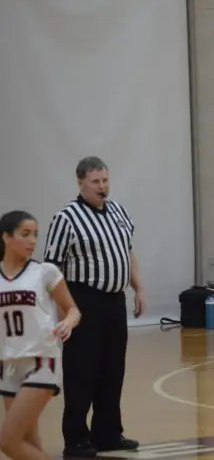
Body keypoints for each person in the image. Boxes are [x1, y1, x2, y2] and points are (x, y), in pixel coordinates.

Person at [42, 157, 145, 457]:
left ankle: (108, 433)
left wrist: (138, 287)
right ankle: (76, 438)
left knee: (113, 370)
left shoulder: (118, 211)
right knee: (81, 372)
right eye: (96, 182)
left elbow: (127, 252)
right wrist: (64, 312)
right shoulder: (66, 218)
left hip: (115, 302)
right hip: (83, 301)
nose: (103, 187)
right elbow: (52, 269)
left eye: (105, 181)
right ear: (80, 183)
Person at [0, 211, 81, 460]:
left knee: (8, 442)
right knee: (28, 443)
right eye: (25, 234)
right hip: (8, 365)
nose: (33, 241)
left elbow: (73, 309)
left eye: (35, 234)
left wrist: (68, 322)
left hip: (42, 360)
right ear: (6, 237)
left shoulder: (45, 271)